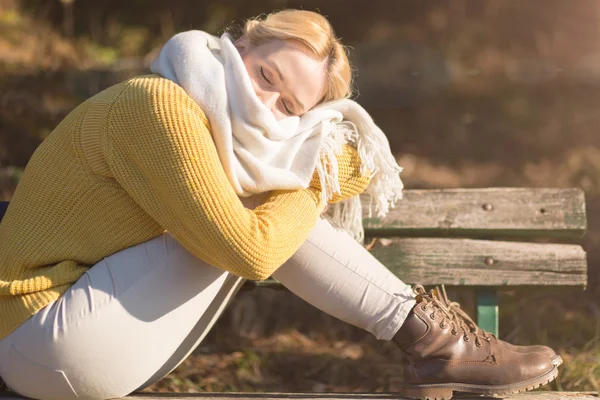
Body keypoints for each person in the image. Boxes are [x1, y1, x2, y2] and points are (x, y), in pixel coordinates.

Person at [0, 9, 560, 400]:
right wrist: (315, 177)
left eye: (290, 108)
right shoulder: (157, 106)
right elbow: (252, 251)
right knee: (268, 215)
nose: (267, 103)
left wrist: (302, 175)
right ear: (239, 44)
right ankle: (438, 345)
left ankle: (439, 345)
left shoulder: (224, 143)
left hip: (96, 346)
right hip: (41, 335)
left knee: (273, 202)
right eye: (266, 75)